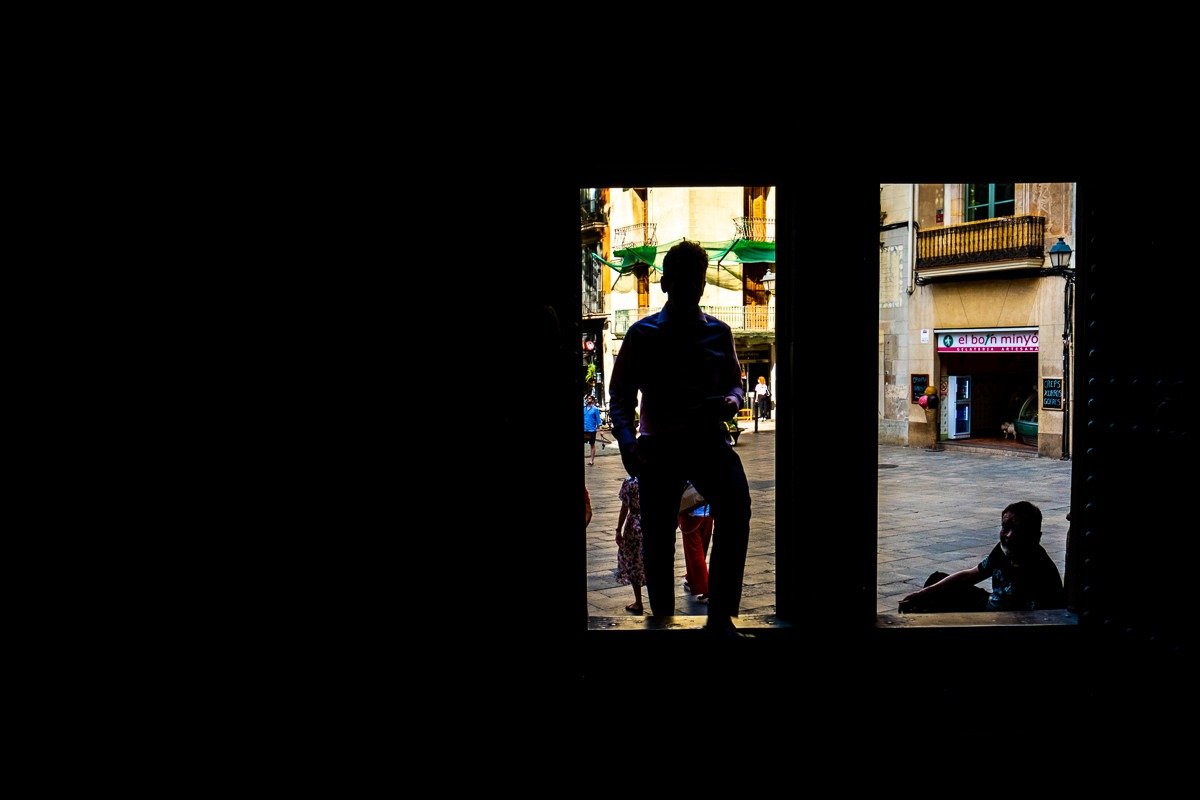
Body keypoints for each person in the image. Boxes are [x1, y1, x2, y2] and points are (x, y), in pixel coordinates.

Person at [608, 239, 751, 637]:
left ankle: (720, 617)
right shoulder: (643, 334)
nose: (693, 288)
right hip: (659, 447)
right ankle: (664, 620)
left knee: (736, 508)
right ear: (667, 283)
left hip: (706, 441)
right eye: (686, 280)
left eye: (698, 281)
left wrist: (730, 401)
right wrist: (626, 440)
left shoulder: (719, 334)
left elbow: (736, 385)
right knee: (656, 536)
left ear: (701, 285)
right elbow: (619, 396)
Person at [898, 501, 1067, 613]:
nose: (1008, 535)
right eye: (1005, 527)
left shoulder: (1041, 571)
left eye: (1018, 530)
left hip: (1000, 620)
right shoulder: (1002, 550)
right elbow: (971, 575)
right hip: (991, 604)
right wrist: (923, 593)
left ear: (1035, 537)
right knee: (937, 581)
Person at [615, 477, 647, 614]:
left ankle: (638, 602)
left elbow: (624, 508)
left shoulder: (630, 483)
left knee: (634, 562)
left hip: (634, 524)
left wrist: (618, 529)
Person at [679, 496, 714, 604]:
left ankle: (706, 589)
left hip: (691, 512)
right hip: (708, 512)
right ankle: (692, 578)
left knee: (694, 553)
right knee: (701, 549)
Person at [583, 394, 602, 466]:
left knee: (592, 445)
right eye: (587, 398)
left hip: (592, 430)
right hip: (584, 429)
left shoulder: (595, 409)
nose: (588, 399)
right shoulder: (584, 409)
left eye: (590, 398)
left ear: (593, 400)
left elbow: (598, 420)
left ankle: (591, 461)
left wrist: (601, 430)